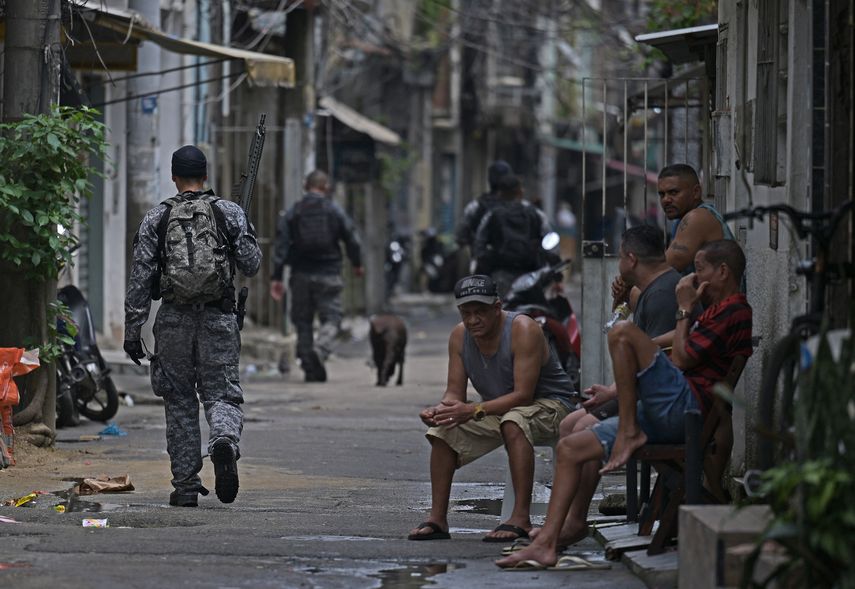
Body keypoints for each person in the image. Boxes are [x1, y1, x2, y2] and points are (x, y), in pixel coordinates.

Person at [496, 240, 752, 568]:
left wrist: (684, 309)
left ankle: (628, 429)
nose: (693, 277)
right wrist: (624, 378)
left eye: (700, 269)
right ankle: (548, 541)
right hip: (670, 407)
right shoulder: (715, 308)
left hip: (684, 408)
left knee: (621, 333)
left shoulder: (734, 310)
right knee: (570, 446)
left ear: (723, 272)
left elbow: (681, 358)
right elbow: (676, 348)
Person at [123, 145, 262, 507]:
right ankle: (224, 440)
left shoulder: (157, 218)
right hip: (218, 319)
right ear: (205, 175)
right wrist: (243, 230)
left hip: (173, 322)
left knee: (179, 401)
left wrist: (132, 331)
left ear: (174, 177)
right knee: (222, 394)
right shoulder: (228, 212)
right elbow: (251, 264)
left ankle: (185, 486)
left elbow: (140, 279)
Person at [528, 225, 682, 549]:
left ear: (631, 258)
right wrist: (620, 301)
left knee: (580, 428)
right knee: (569, 423)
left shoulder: (663, 294)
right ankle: (569, 517)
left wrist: (614, 392)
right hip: (644, 391)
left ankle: (574, 521)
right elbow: (627, 333)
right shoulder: (647, 290)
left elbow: (658, 359)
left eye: (620, 256)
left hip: (657, 398)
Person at [408, 275, 578, 543]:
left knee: (514, 420)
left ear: (497, 308)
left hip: (551, 404)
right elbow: (454, 394)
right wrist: (440, 411)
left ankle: (520, 517)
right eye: (466, 313)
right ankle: (438, 519)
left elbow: (523, 396)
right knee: (442, 430)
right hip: (498, 408)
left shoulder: (523, 329)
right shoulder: (459, 335)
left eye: (480, 312)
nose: (473, 320)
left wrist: (473, 410)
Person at [270, 170, 363, 382]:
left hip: (300, 275)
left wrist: (277, 277)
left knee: (302, 321)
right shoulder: (333, 210)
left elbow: (281, 245)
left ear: (305, 186)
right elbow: (351, 238)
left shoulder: (294, 211)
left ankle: (309, 366)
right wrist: (357, 263)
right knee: (332, 319)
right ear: (325, 187)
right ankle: (320, 350)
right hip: (329, 274)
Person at [613, 163, 736, 308]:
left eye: (673, 192)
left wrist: (626, 280)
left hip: (723, 312)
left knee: (637, 294)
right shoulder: (681, 221)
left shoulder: (698, 217)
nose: (666, 200)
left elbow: (662, 268)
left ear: (696, 192)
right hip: (705, 308)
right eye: (662, 194)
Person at [472, 175, 553, 297]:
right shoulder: (535, 213)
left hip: (500, 272)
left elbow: (479, 243)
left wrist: (484, 264)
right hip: (531, 273)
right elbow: (549, 240)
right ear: (520, 191)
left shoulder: (492, 214)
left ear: (500, 193)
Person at [454, 160, 513, 250]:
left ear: (489, 179)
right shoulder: (522, 207)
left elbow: (460, 237)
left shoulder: (475, 206)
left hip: (481, 256)